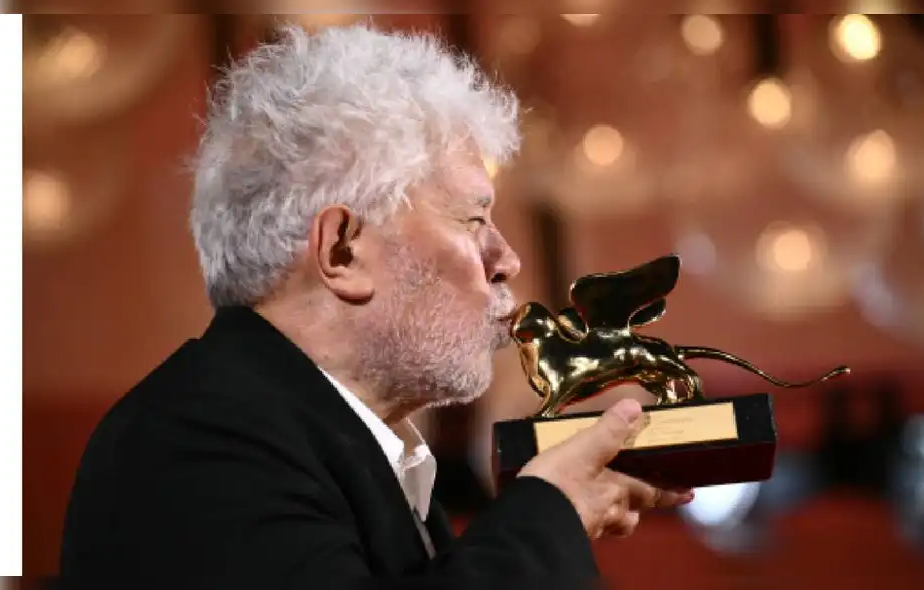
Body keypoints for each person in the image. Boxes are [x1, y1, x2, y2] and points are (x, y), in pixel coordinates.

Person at [58, 23, 694, 587]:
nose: (506, 260)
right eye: (474, 220)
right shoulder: (198, 443)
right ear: (342, 250)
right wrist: (551, 511)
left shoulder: (323, 441)